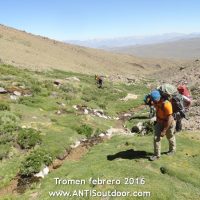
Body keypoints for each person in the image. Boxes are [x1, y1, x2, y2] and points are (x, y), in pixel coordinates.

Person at [149, 90, 176, 161]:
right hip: (159, 122)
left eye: (154, 100)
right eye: (152, 100)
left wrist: (164, 130)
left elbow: (170, 119)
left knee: (170, 136)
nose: (153, 102)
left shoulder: (167, 104)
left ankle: (172, 150)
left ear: (159, 98)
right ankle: (156, 155)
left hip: (169, 123)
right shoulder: (155, 101)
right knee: (156, 138)